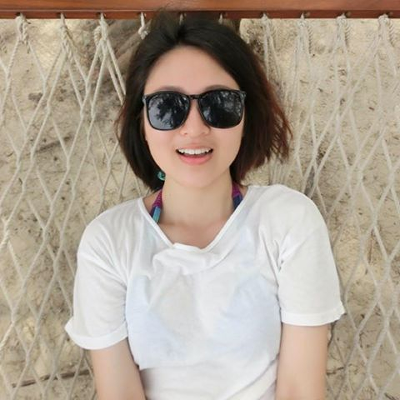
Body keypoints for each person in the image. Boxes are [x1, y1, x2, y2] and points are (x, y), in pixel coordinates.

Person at [65, 10, 346, 400]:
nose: (195, 128)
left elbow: (300, 390)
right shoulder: (110, 241)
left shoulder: (288, 222)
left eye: (220, 104)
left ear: (246, 115)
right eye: (167, 106)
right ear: (141, 122)